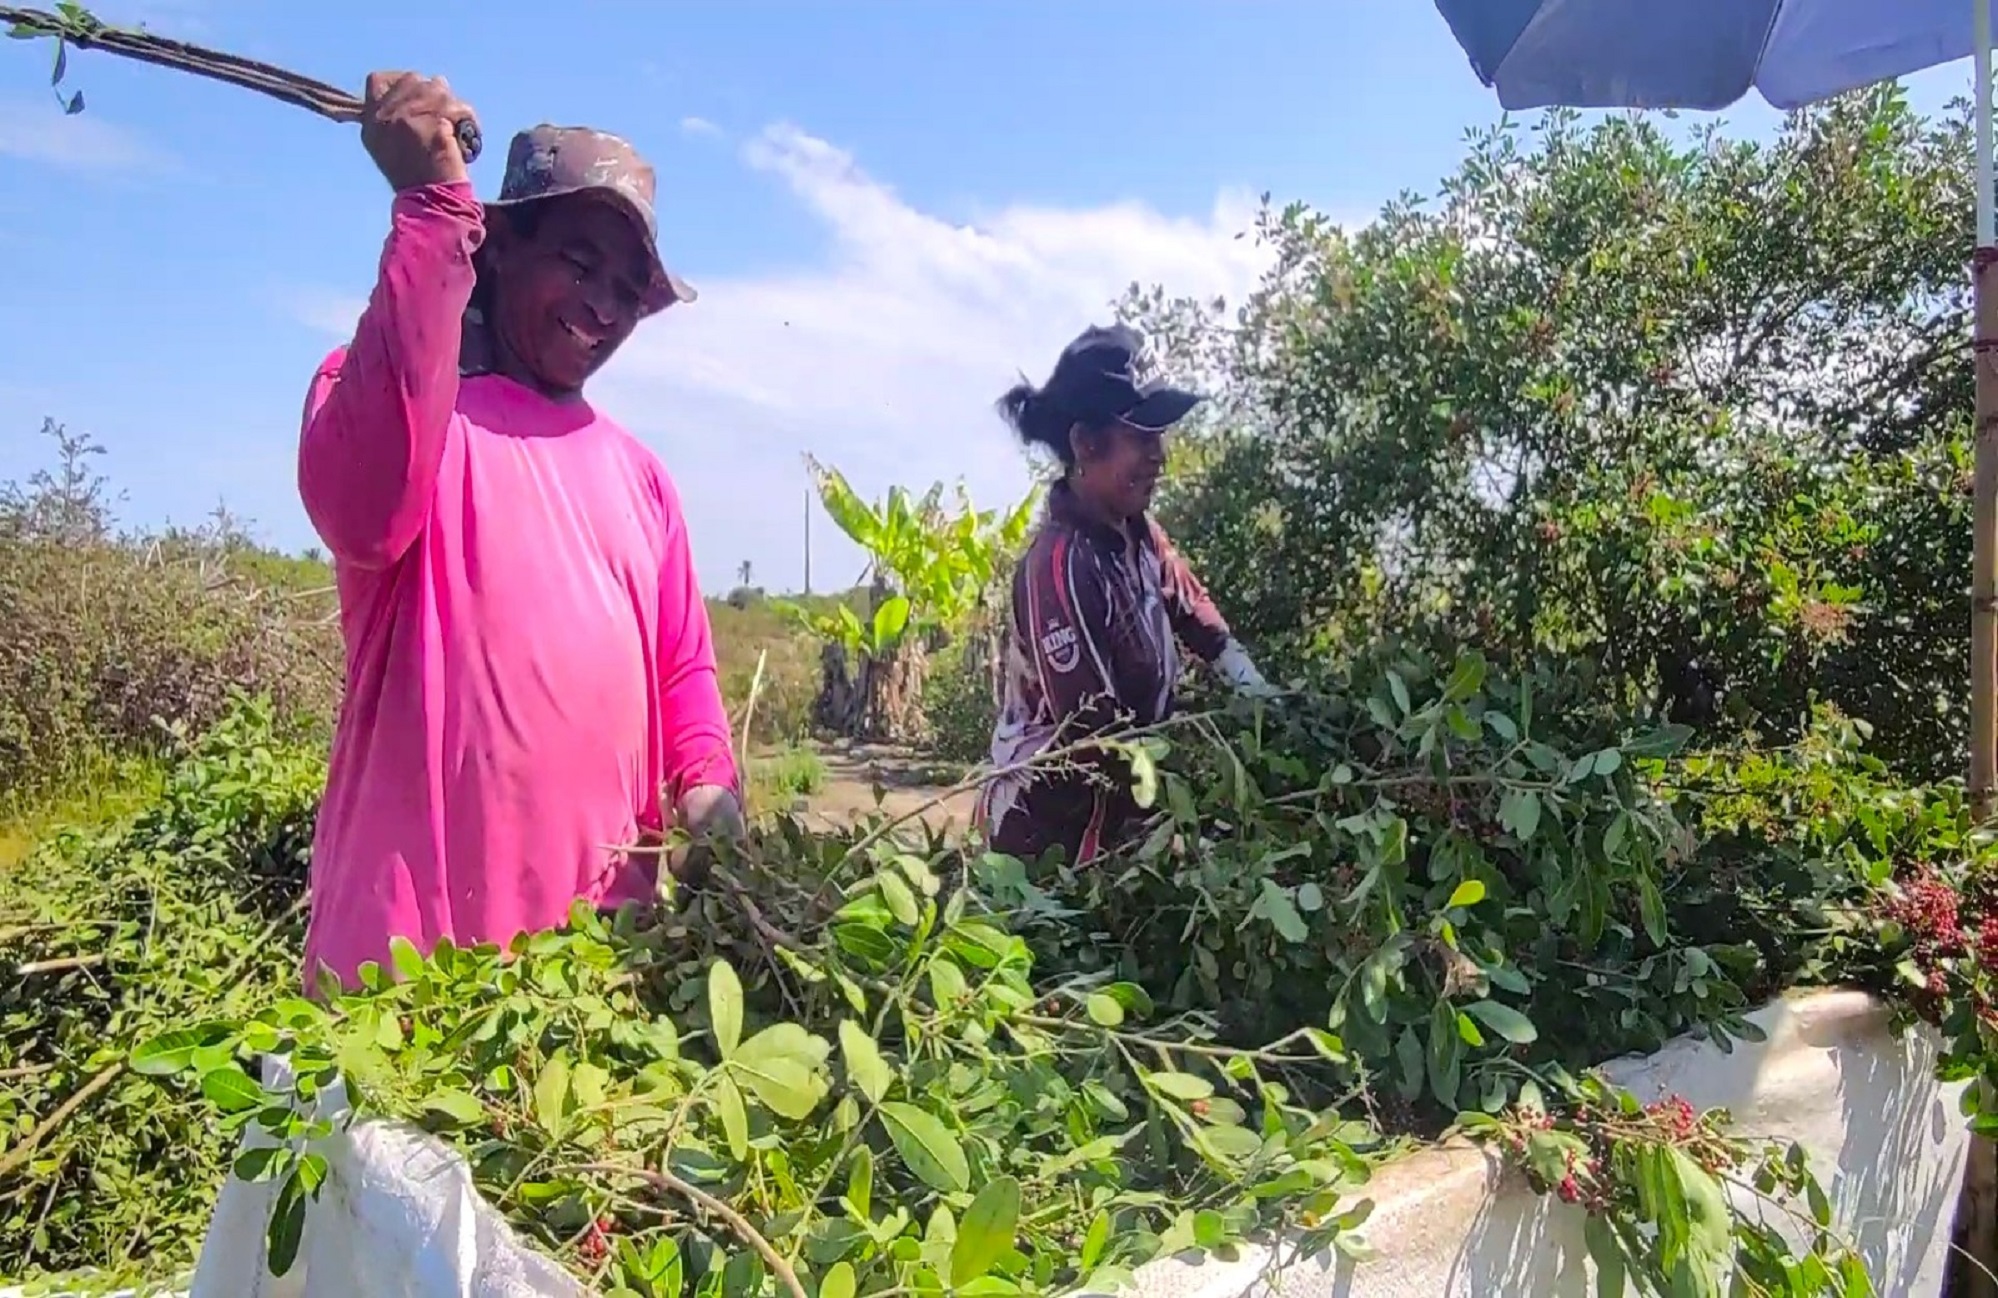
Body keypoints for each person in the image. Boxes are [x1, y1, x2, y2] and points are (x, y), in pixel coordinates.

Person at [296, 71, 742, 990]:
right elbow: (364, 512)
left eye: (628, 289)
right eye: (579, 265)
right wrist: (431, 211)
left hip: (592, 992)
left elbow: (682, 673)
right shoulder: (406, 409)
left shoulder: (642, 479)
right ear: (498, 250)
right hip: (401, 995)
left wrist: (710, 790)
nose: (606, 308)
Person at [977, 324, 1271, 867]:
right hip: (1048, 833)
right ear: (1086, 444)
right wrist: (1186, 814)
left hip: (1126, 801)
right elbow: (1094, 737)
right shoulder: (1060, 569)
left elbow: (1189, 605)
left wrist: (1252, 684)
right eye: (1142, 438)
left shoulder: (1138, 533)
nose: (1159, 457)